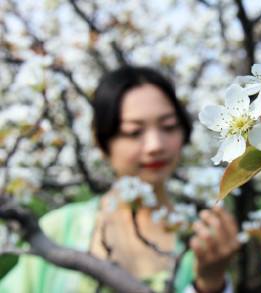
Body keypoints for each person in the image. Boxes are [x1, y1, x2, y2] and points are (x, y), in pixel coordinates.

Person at [0, 66, 240, 292]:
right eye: (134, 132)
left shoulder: (202, 240)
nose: (156, 145)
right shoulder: (57, 230)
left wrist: (211, 283)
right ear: (101, 140)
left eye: (168, 126)